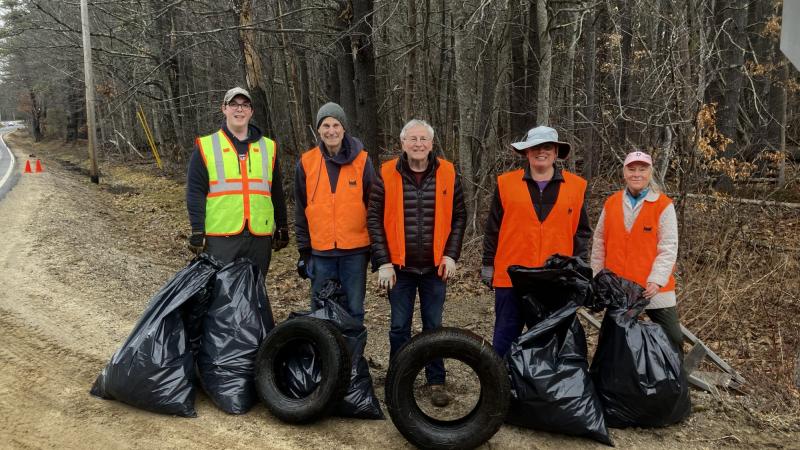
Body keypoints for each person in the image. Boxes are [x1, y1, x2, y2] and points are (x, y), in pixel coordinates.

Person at [367, 119, 467, 408]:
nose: (418, 144)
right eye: (413, 139)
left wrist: (451, 255)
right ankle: (400, 379)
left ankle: (436, 380)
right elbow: (373, 219)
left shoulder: (448, 172)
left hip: (435, 268)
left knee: (433, 326)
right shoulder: (386, 173)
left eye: (423, 139)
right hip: (400, 269)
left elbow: (459, 216)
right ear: (403, 144)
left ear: (432, 144)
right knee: (399, 327)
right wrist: (382, 261)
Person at [482, 125, 592, 356]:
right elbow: (493, 228)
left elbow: (581, 232)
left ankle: (543, 391)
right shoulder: (505, 183)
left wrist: (578, 269)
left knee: (550, 342)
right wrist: (488, 264)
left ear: (556, 152)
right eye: (535, 147)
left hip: (554, 278)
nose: (541, 152)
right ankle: (500, 388)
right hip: (511, 276)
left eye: (547, 147)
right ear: (526, 152)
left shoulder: (576, 186)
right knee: (504, 339)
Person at [185, 86, 289, 274]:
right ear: (224, 109)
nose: (239, 109)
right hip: (221, 238)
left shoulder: (269, 147)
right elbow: (195, 191)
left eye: (244, 105)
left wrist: (282, 226)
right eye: (233, 104)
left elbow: (276, 192)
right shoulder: (207, 146)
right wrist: (198, 230)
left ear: (251, 111)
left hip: (259, 237)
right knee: (221, 294)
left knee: (254, 292)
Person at [591, 150, 683, 352]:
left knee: (673, 338)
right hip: (619, 289)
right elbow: (599, 242)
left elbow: (668, 247)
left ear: (650, 173)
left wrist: (656, 280)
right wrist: (598, 277)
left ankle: (675, 381)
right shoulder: (612, 203)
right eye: (632, 169)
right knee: (613, 342)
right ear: (624, 173)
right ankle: (613, 382)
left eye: (642, 169)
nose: (637, 174)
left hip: (653, 290)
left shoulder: (663, 205)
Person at [294, 102, 376, 323]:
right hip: (321, 253)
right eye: (326, 125)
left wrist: (377, 248)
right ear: (319, 130)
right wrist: (304, 250)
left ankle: (352, 357)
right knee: (321, 310)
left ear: (344, 128)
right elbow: (301, 210)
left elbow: (374, 207)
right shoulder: (306, 162)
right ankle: (325, 357)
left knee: (354, 309)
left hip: (355, 252)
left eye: (336, 125)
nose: (331, 131)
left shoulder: (362, 161)